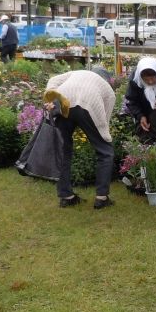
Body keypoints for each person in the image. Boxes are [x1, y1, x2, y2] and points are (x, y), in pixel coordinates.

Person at [43, 70, 116, 209]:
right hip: (88, 105)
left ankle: (66, 196)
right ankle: (101, 198)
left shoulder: (78, 73)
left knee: (63, 150)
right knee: (105, 152)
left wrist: (51, 98)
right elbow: (104, 120)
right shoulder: (108, 90)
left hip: (62, 103)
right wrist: (104, 138)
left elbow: (53, 79)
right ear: (107, 80)